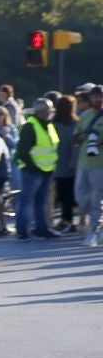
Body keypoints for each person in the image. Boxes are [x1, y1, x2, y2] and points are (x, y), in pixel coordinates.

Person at [15, 98, 59, 241]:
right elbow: (23, 150)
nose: (51, 112)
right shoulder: (30, 127)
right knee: (26, 200)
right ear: (42, 112)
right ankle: (23, 230)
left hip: (47, 169)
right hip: (33, 170)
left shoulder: (48, 125)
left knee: (41, 201)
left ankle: (42, 228)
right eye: (49, 110)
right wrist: (33, 167)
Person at [73, 83, 103, 245]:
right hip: (84, 162)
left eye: (100, 96)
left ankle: (93, 231)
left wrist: (99, 141)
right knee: (81, 198)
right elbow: (75, 138)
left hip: (100, 164)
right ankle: (98, 220)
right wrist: (84, 136)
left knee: (97, 197)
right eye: (95, 96)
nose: (98, 99)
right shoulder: (85, 115)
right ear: (90, 98)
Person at [51, 93, 79, 232]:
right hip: (73, 163)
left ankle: (66, 219)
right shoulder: (76, 124)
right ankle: (69, 219)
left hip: (59, 164)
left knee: (63, 194)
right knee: (71, 193)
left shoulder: (54, 125)